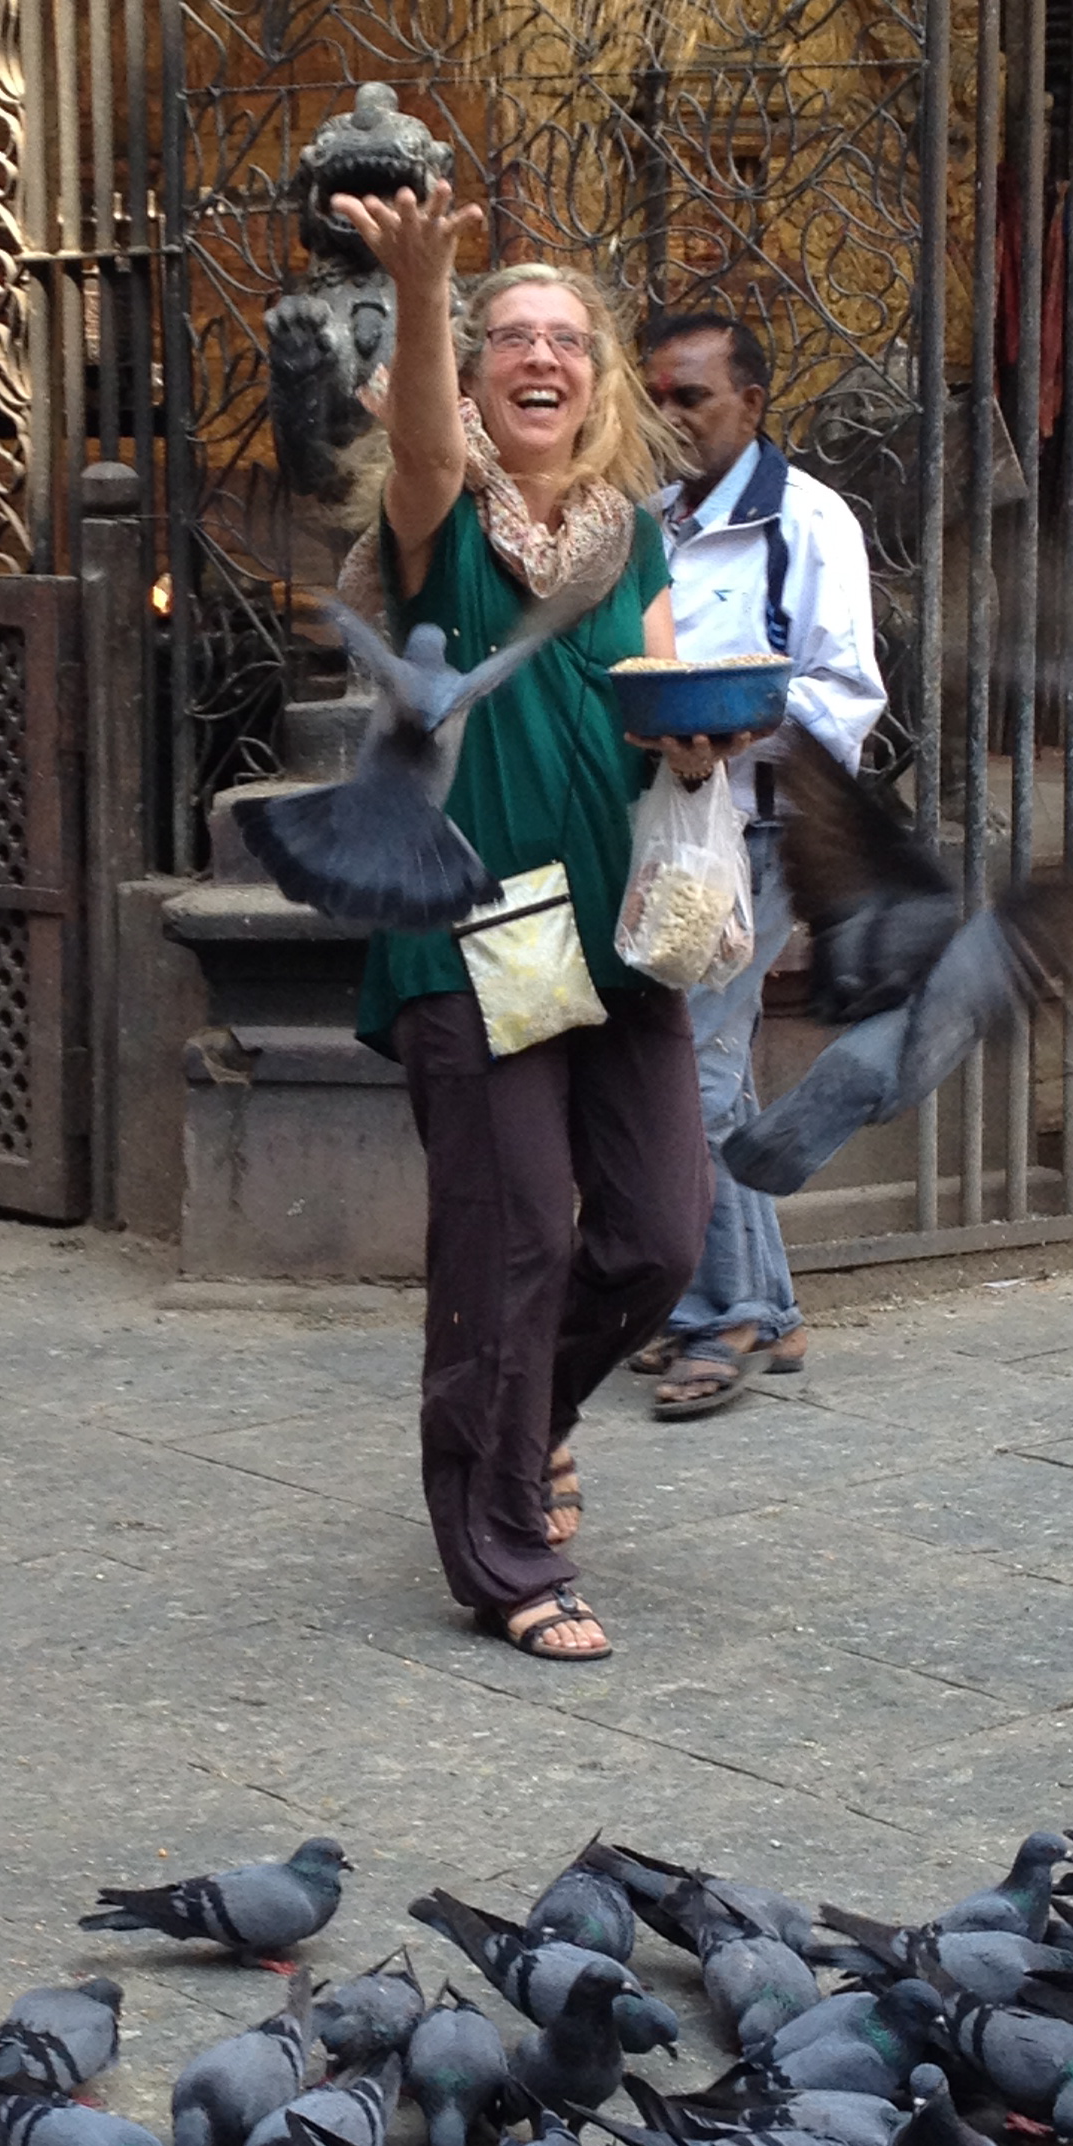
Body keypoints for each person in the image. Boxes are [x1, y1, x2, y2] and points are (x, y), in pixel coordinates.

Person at [330, 180, 737, 1661]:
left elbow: (665, 704)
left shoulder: (633, 541)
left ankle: (532, 1415)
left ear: (602, 375)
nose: (540, 357)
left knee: (655, 1237)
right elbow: (427, 443)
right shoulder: (436, 525)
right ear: (480, 368)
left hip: (617, 927)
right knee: (510, 1249)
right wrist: (429, 284)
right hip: (475, 925)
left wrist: (702, 746)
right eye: (513, 337)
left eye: (566, 337)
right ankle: (503, 1556)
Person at [632, 308, 883, 1423]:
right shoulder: (653, 521)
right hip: (680, 821)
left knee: (693, 1060)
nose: (671, 417)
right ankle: (766, 1311)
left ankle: (721, 1315)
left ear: (753, 401)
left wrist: (743, 728)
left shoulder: (811, 522)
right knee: (700, 1057)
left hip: (771, 827)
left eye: (692, 396)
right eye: (658, 397)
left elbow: (847, 697)